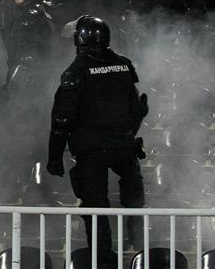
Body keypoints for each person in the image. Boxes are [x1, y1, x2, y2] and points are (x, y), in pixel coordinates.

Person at [47, 15, 148, 257]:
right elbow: (137, 109)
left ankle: (101, 258)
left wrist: (54, 158)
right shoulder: (124, 65)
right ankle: (140, 245)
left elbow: (62, 120)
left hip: (91, 151)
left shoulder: (76, 72)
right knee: (134, 199)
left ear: (80, 39)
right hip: (124, 146)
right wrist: (126, 135)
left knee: (95, 206)